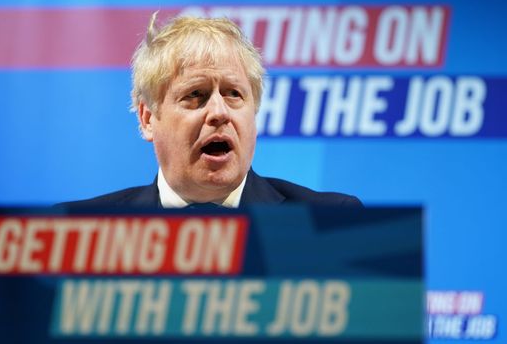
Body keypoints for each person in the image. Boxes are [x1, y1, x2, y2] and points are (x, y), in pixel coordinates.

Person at [61, 13, 362, 209]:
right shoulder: (80, 230)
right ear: (148, 118)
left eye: (234, 94)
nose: (219, 112)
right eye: (196, 95)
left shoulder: (331, 220)